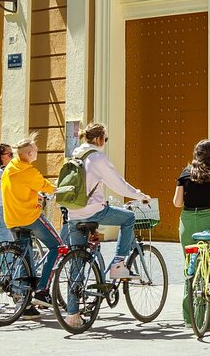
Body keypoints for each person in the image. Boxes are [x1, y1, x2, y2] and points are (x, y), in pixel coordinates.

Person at [64, 122, 151, 328]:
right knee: (128, 218)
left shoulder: (73, 156)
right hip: (93, 210)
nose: (105, 143)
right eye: (106, 139)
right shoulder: (97, 157)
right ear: (98, 139)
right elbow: (117, 183)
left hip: (73, 214)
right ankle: (118, 265)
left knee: (76, 261)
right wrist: (139, 195)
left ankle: (72, 315)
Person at [1, 132, 62, 319]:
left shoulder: (10, 168)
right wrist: (60, 189)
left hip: (12, 220)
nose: (37, 153)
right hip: (30, 218)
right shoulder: (29, 171)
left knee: (25, 258)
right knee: (57, 247)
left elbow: (23, 189)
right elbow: (48, 186)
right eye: (35, 150)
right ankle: (42, 290)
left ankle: (25, 304)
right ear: (28, 153)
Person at [173, 139, 210, 329]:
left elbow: (176, 202)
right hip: (209, 219)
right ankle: (208, 320)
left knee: (190, 267)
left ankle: (189, 318)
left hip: (188, 221)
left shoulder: (185, 172)